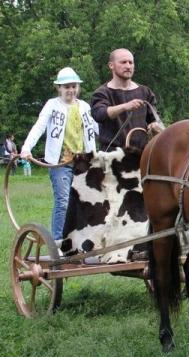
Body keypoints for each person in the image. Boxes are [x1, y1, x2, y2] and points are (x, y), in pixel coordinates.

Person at [20, 67, 98, 240]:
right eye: (66, 86)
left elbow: (95, 127)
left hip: (83, 162)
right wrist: (26, 148)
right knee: (63, 202)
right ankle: (57, 241)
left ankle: (79, 240)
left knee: (82, 202)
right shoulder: (52, 105)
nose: (70, 90)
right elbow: (39, 126)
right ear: (59, 88)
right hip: (60, 163)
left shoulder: (84, 106)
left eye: (73, 86)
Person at [91, 48, 163, 151]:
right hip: (112, 156)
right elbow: (99, 114)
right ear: (111, 65)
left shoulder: (145, 92)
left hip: (141, 155)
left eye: (131, 62)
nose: (128, 66)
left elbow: (154, 119)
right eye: (123, 62)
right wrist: (125, 106)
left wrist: (155, 126)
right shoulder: (102, 93)